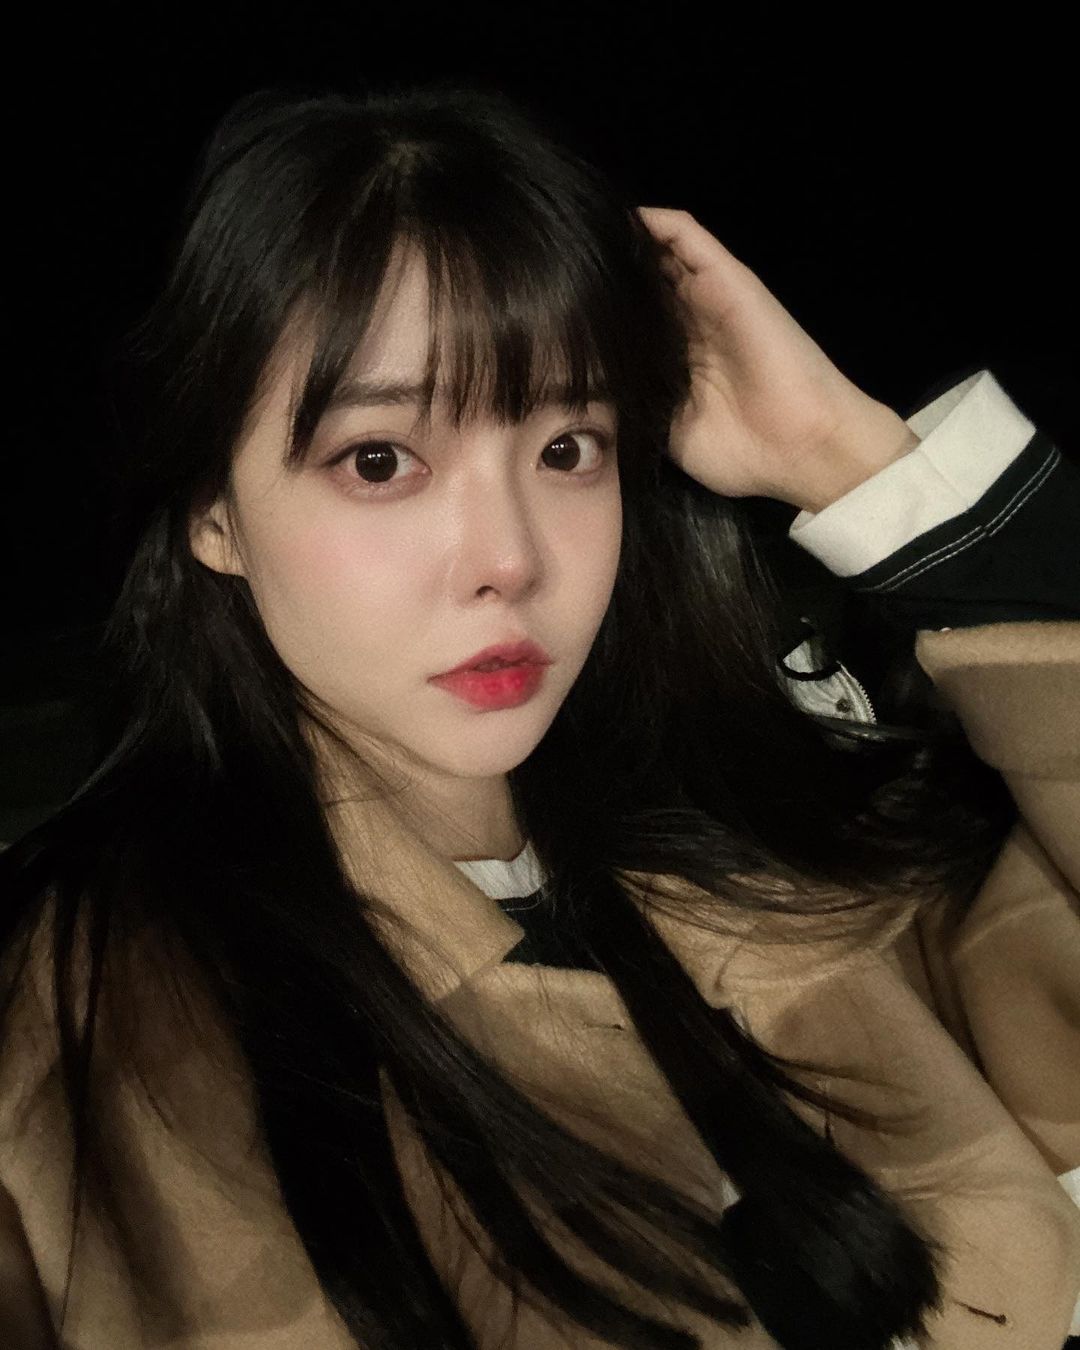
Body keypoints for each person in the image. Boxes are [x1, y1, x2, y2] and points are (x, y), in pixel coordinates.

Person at [0, 80, 1077, 1350]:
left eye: (569, 448)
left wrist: (853, 464)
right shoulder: (106, 1021)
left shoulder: (784, 843)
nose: (510, 558)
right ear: (214, 514)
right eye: (380, 460)